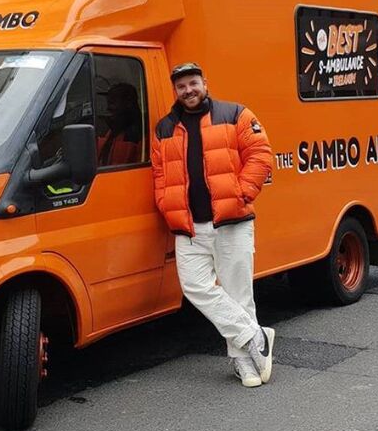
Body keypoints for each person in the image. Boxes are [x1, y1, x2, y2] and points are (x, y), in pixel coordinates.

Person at [151, 62, 275, 387]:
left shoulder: (235, 114)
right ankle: (255, 335)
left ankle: (244, 362)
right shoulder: (164, 128)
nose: (188, 90)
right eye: (181, 86)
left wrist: (241, 193)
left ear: (205, 83)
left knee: (238, 293)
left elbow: (261, 154)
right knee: (195, 287)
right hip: (189, 228)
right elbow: (159, 173)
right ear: (175, 91)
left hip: (231, 222)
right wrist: (166, 205)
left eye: (193, 83)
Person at [97, 82, 143, 166]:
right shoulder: (112, 129)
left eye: (112, 103)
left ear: (128, 103)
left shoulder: (135, 135)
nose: (108, 108)